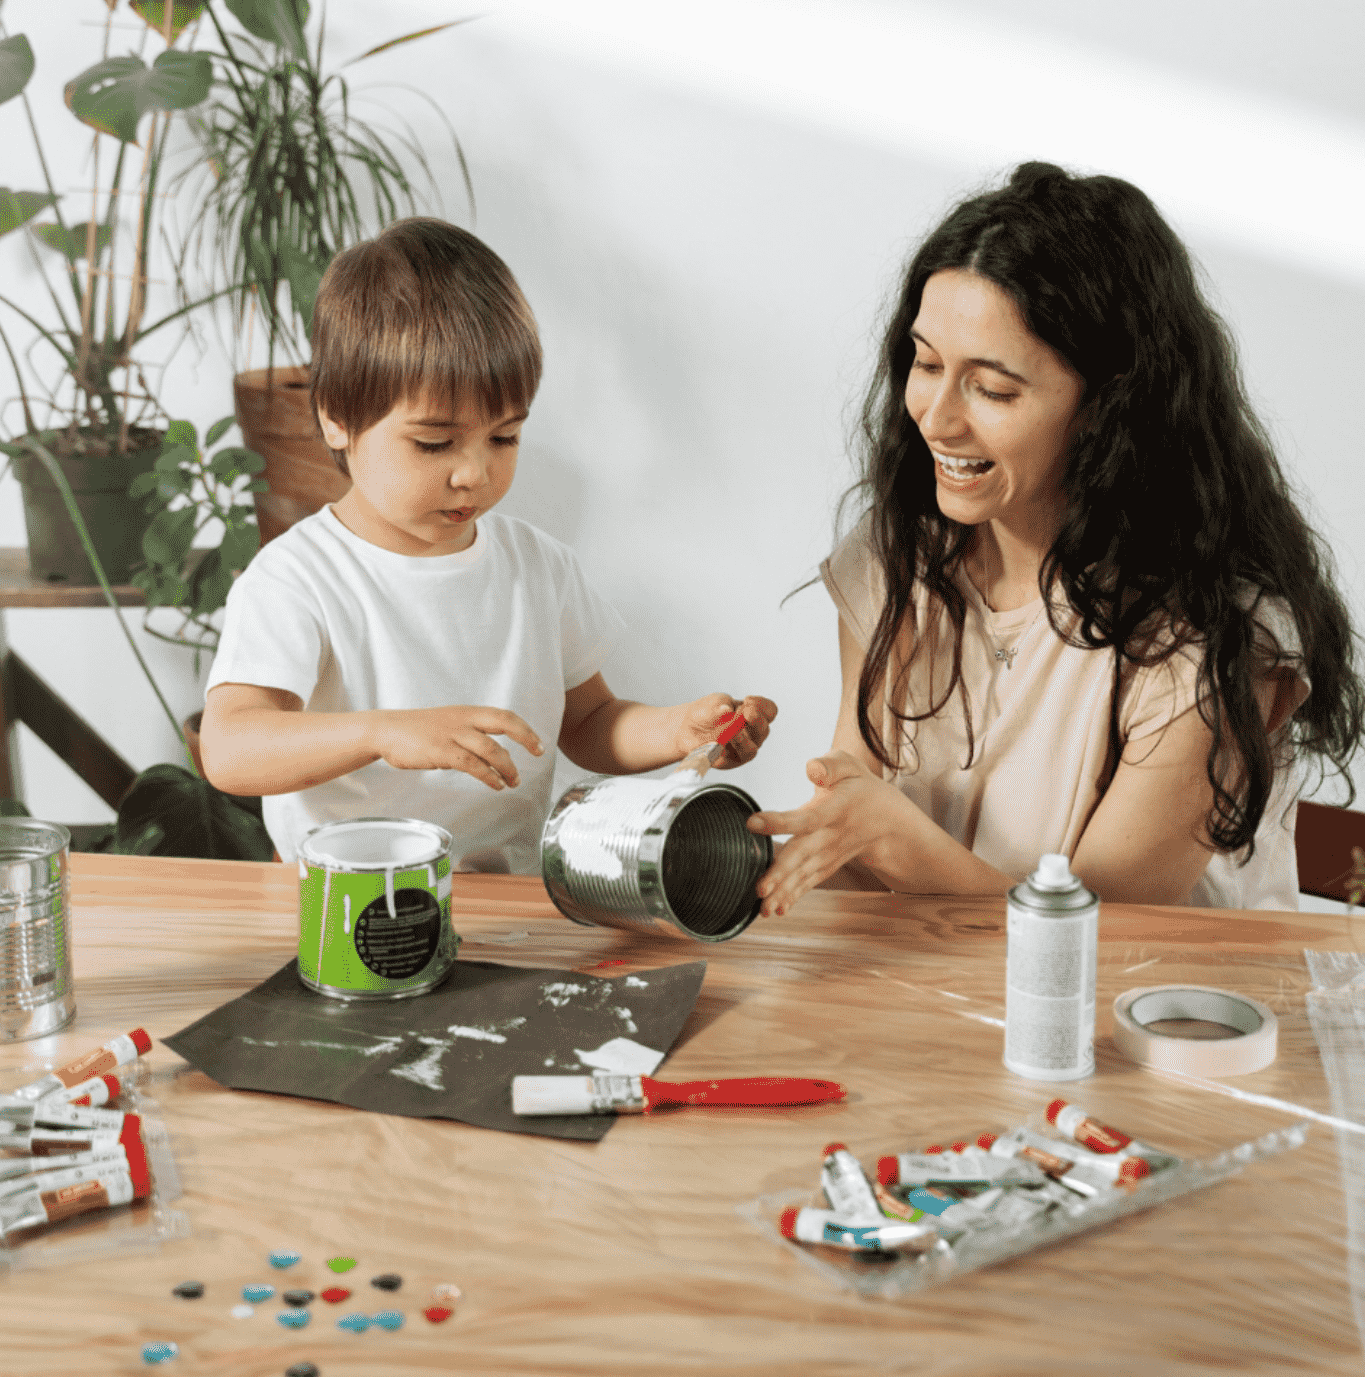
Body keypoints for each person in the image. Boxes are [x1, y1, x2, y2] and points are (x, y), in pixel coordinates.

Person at [748, 162, 1362, 915]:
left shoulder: (1212, 635)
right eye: (927, 362)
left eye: (992, 388)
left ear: (1110, 407)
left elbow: (1114, 929)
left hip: (1160, 1016)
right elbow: (845, 834)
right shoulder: (896, 559)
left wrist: (905, 848)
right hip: (938, 991)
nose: (936, 418)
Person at [200, 218, 775, 866]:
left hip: (509, 901)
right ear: (335, 416)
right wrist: (383, 732)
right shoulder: (298, 578)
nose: (473, 471)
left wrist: (676, 730)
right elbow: (230, 749)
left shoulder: (538, 567)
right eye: (433, 442)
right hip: (345, 900)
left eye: (503, 437)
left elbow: (588, 726)